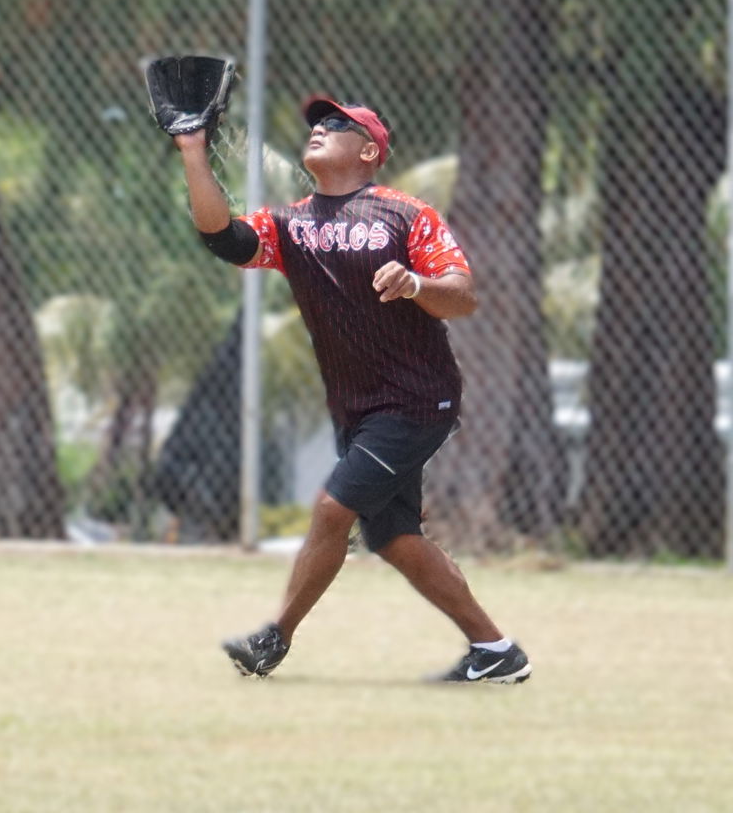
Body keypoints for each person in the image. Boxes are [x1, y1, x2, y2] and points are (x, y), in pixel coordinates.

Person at [174, 93, 530, 684]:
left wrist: (416, 283)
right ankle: (496, 652)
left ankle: (275, 636)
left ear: (369, 150)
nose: (319, 128)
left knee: (333, 506)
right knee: (394, 537)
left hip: (418, 398)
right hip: (358, 408)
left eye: (336, 124)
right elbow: (222, 236)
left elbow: (462, 295)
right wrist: (192, 150)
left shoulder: (404, 214)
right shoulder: (291, 224)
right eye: (315, 122)